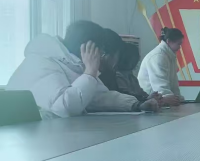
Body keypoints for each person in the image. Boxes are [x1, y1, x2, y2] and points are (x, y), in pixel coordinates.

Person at [6, 21, 159, 119]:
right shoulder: (43, 61)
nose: (101, 55)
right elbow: (64, 107)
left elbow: (99, 97)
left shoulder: (72, 65)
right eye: (101, 50)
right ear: (89, 48)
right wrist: (90, 72)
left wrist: (136, 105)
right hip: (28, 144)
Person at [138, 28, 185, 106]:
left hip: (159, 101)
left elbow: (174, 83)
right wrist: (169, 98)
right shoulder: (158, 56)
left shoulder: (170, 55)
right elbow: (159, 86)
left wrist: (178, 98)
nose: (180, 47)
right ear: (168, 41)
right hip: (149, 101)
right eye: (178, 44)